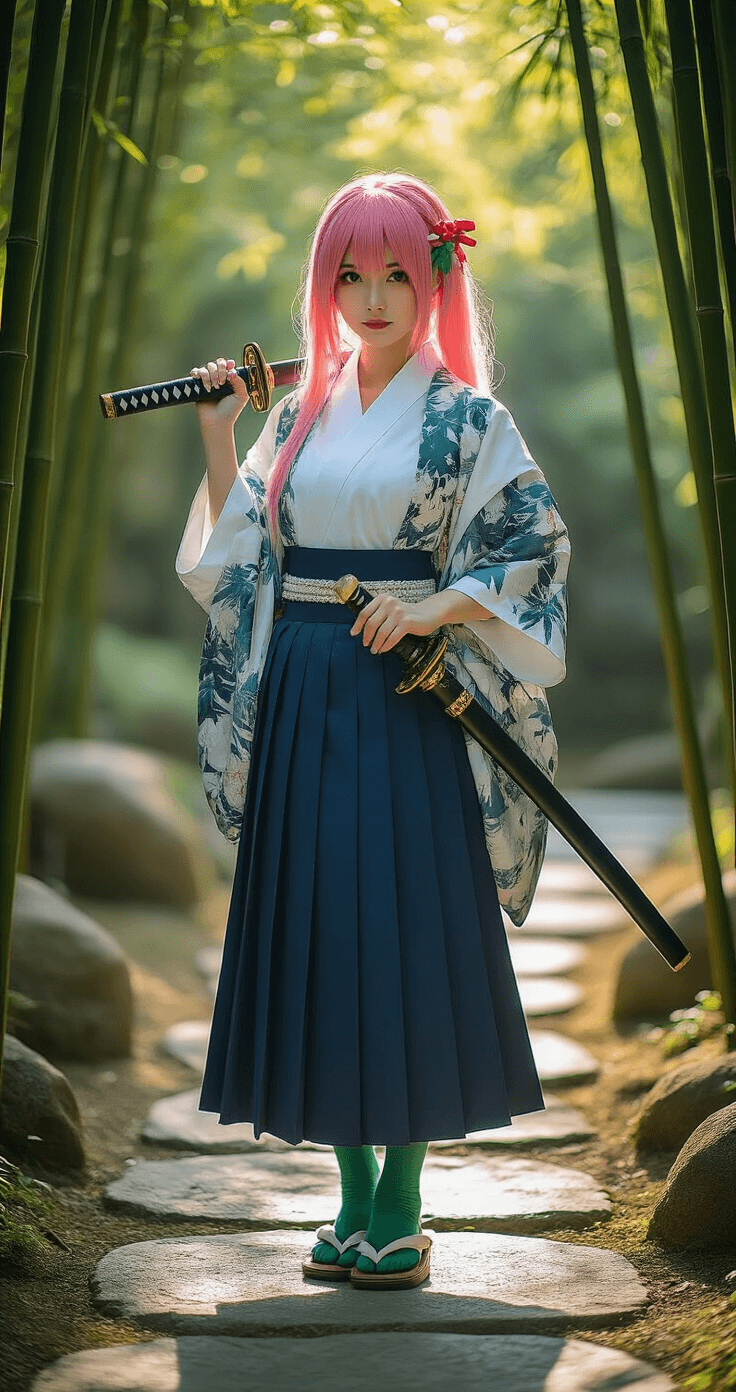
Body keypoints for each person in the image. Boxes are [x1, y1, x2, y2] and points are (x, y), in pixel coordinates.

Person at [175, 171, 570, 1290]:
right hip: (305, 682)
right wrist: (220, 432)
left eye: (397, 271)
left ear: (436, 275)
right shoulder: (301, 410)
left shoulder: (469, 419)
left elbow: (531, 550)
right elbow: (245, 555)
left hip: (406, 690)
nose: (371, 295)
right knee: (321, 930)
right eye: (349, 274)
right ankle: (349, 1201)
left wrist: (437, 605)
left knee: (405, 934)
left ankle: (400, 1204)